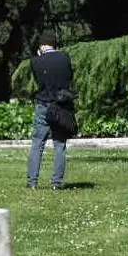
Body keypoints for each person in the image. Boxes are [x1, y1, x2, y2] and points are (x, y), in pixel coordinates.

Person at [27, 33, 73, 191]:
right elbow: (69, 77)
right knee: (59, 144)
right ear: (54, 44)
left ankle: (32, 181)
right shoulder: (64, 57)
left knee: (37, 144)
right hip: (61, 105)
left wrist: (39, 57)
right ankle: (56, 183)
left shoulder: (35, 61)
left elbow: (39, 81)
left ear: (40, 46)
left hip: (43, 104)